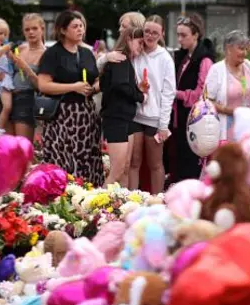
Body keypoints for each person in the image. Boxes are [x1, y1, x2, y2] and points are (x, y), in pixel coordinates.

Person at [37, 10, 103, 186]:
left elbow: (96, 79)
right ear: (63, 30)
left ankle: (89, 198)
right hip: (62, 115)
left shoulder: (87, 53)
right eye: (75, 26)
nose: (80, 29)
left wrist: (94, 88)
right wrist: (73, 87)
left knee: (88, 157)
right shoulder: (53, 54)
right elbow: (43, 85)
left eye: (81, 26)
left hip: (86, 116)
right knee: (63, 158)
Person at [128, 15, 176, 194]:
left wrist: (163, 124)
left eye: (155, 32)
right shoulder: (135, 53)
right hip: (134, 114)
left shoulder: (165, 58)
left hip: (155, 118)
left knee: (155, 163)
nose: (150, 35)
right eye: (147, 31)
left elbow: (168, 93)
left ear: (162, 34)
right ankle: (130, 200)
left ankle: (157, 200)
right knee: (134, 162)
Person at [166, 13, 215, 182]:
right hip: (179, 117)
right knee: (178, 162)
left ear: (196, 35)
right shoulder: (183, 57)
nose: (179, 39)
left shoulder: (204, 60)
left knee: (190, 164)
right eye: (178, 35)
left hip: (194, 120)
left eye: (184, 35)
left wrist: (175, 93)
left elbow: (200, 94)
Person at [100, 27, 148, 186]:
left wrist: (138, 91)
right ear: (128, 39)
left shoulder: (124, 60)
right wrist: (141, 96)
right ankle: (100, 206)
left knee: (124, 168)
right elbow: (121, 86)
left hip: (124, 118)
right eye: (139, 42)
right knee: (117, 171)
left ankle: (123, 203)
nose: (141, 47)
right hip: (116, 119)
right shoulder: (121, 60)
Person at [204, 30, 250, 143]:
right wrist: (229, 111)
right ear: (228, 48)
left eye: (246, 49)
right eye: (241, 49)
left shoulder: (248, 66)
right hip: (226, 134)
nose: (245, 53)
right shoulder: (216, 70)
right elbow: (206, 101)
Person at [8, 13, 46, 140]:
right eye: (27, 29)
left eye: (34, 28)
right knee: (8, 147)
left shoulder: (46, 54)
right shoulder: (21, 48)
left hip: (27, 99)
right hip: (8, 98)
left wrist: (26, 67)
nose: (31, 32)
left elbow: (42, 86)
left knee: (22, 148)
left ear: (42, 29)